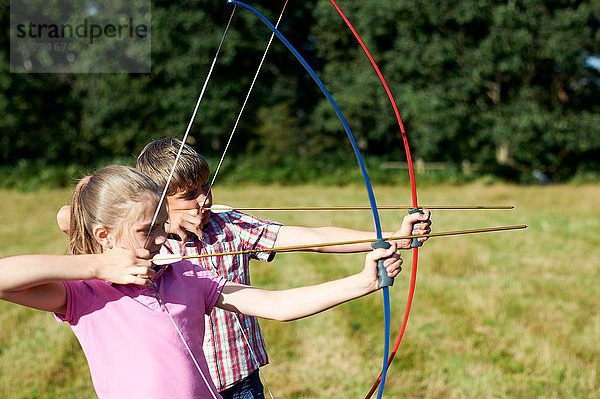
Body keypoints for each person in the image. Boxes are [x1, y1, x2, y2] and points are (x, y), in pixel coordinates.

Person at [57, 138, 432, 397]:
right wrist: (157, 225)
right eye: (188, 195)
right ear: (156, 202)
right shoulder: (138, 243)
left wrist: (389, 238)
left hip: (240, 376)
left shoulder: (227, 223)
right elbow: (69, 216)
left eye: (207, 187)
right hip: (177, 382)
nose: (203, 199)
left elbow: (310, 236)